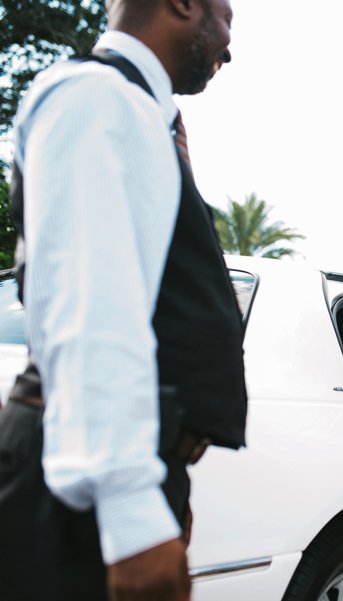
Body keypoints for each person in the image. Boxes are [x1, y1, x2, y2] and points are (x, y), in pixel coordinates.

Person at [0, 1, 246, 600]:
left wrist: (165, 485)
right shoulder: (95, 98)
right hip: (70, 494)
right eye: (226, 20)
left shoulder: (138, 114)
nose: (229, 47)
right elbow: (91, 304)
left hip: (123, 476)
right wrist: (130, 505)